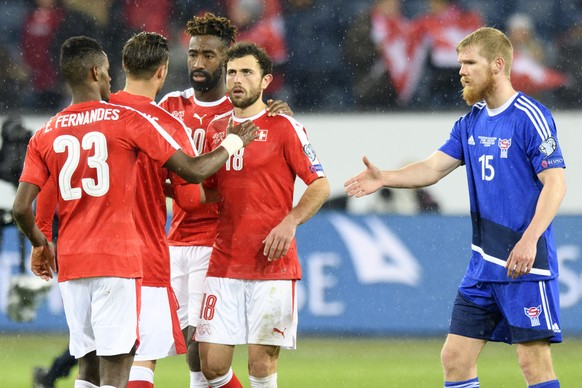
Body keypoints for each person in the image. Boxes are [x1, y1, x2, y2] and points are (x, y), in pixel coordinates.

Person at [12, 35, 258, 388]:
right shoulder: (132, 120)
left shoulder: (48, 131)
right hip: (129, 258)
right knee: (127, 365)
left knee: (88, 368)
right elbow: (191, 183)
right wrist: (234, 146)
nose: (111, 79)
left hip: (72, 261)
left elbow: (29, 202)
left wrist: (41, 241)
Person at [344, 27, 565, 388]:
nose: (460, 70)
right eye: (460, 62)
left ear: (497, 65)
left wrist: (529, 239)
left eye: (469, 63)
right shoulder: (471, 121)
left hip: (524, 265)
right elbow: (432, 168)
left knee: (532, 363)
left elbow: (555, 183)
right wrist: (385, 177)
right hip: (482, 267)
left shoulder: (529, 116)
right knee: (455, 359)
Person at [158, 13, 292, 388]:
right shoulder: (169, 105)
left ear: (227, 61)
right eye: (193, 53)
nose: (199, 63)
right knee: (191, 350)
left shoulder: (242, 113)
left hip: (217, 241)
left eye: (210, 56)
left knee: (205, 352)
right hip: (176, 237)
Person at [197, 41, 329, 388]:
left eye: (246, 72)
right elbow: (207, 190)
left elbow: (320, 185)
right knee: (210, 364)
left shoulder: (284, 126)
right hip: (224, 261)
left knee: (261, 363)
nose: (237, 80)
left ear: (265, 80)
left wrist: (290, 222)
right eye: (231, 73)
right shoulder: (215, 130)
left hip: (271, 265)